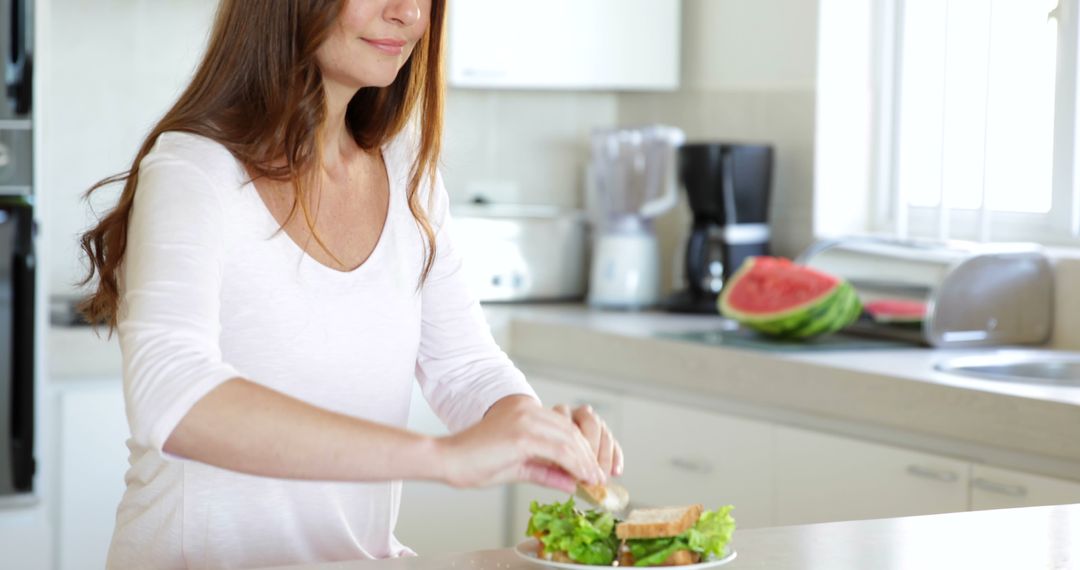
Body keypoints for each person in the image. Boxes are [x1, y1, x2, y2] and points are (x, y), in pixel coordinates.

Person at [77, 1, 623, 568]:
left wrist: (532, 427)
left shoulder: (408, 171)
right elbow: (174, 396)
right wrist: (441, 457)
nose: (410, 13)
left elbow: (465, 366)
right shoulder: (194, 170)